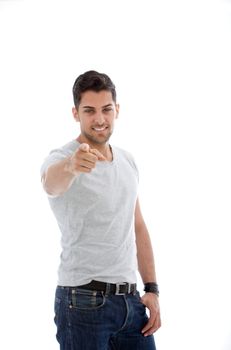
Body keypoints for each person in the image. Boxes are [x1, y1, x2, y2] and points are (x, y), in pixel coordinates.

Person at [40, 70, 161, 350]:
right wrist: (72, 165)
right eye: (89, 110)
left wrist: (152, 289)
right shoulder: (62, 157)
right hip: (82, 303)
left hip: (131, 303)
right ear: (75, 113)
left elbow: (138, 226)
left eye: (106, 109)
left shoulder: (128, 162)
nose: (99, 119)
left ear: (117, 110)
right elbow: (50, 183)